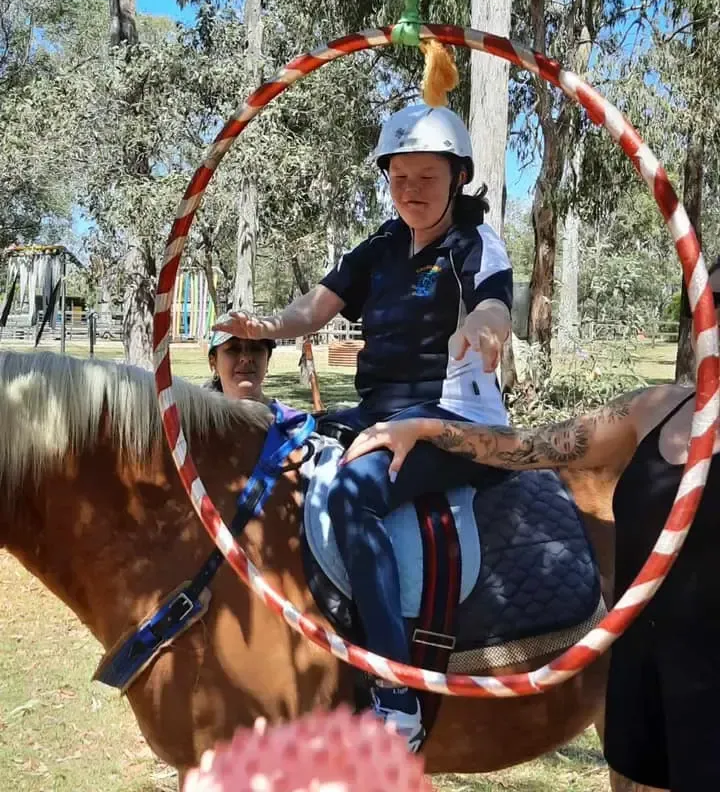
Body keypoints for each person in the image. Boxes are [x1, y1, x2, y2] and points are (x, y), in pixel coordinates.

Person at [341, 254, 720, 792]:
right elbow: (531, 447)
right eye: (711, 303)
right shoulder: (654, 409)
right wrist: (424, 428)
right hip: (643, 675)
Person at [212, 103, 514, 747]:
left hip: (453, 423)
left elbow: (492, 303)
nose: (410, 192)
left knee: (354, 496)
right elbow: (312, 310)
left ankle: (396, 695)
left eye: (426, 178)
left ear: (458, 175)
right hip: (381, 413)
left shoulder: (472, 240)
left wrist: (484, 328)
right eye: (398, 177)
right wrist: (263, 326)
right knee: (280, 443)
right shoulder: (378, 245)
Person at [207, 312, 276, 403]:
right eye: (234, 349)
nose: (246, 358)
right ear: (213, 362)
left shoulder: (292, 417)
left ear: (267, 359)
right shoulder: (198, 416)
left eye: (256, 348)